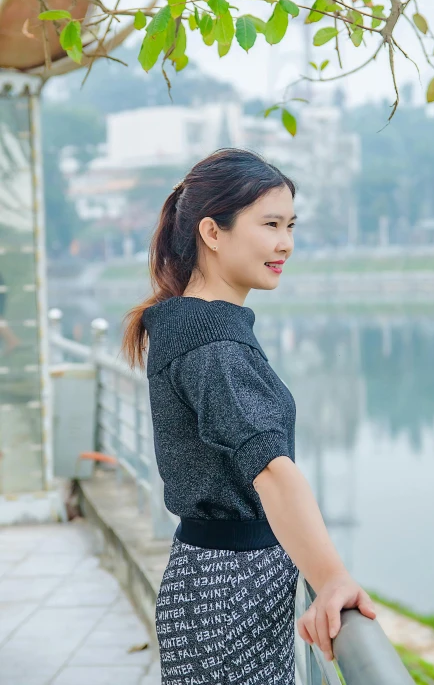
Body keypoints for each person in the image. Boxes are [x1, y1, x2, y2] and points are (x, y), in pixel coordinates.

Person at [122, 148, 376, 685]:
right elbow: (273, 471)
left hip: (222, 581)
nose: (285, 243)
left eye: (290, 225)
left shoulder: (197, 326)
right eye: (269, 225)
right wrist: (332, 578)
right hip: (228, 593)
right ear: (213, 233)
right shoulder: (212, 342)